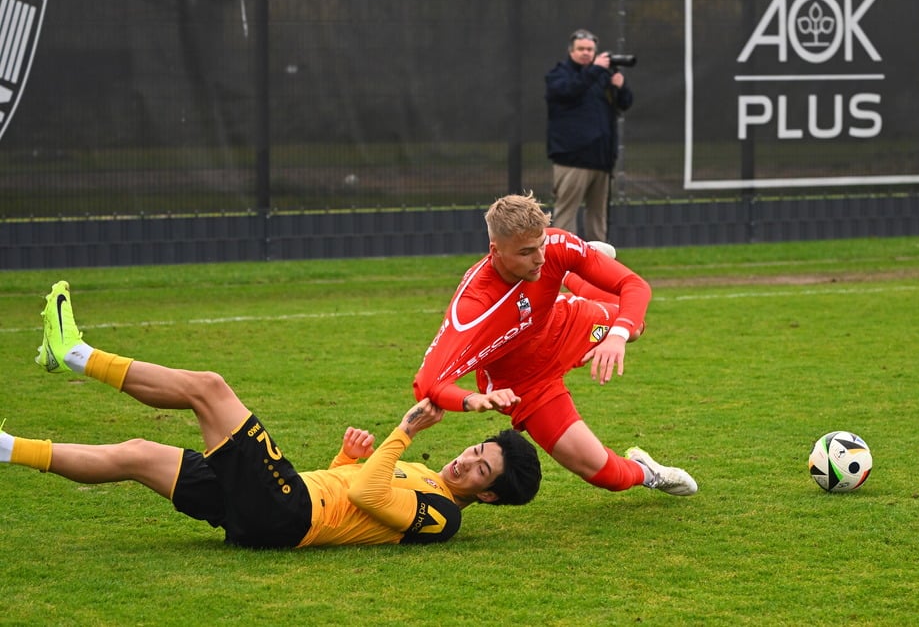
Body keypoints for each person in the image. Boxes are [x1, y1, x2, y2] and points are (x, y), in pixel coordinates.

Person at [0, 281, 541, 549]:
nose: (465, 462)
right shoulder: (431, 480)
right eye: (476, 451)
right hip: (279, 506)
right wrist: (347, 457)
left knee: (209, 388)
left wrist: (402, 433)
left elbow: (365, 497)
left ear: (489, 494)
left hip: (288, 513)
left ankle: (72, 353)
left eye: (480, 470)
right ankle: (5, 449)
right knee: (138, 455)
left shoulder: (447, 519)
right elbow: (356, 494)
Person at [413, 193, 697, 497]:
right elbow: (427, 384)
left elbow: (635, 285)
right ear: (494, 250)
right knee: (604, 474)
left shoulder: (554, 246)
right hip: (525, 383)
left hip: (563, 325)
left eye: (541, 245)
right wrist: (471, 399)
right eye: (526, 252)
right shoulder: (473, 308)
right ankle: (648, 471)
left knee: (633, 326)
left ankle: (577, 269)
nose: (539, 258)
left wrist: (616, 337)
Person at [545, 28, 634, 242]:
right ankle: (563, 263)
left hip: (601, 160)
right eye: (581, 49)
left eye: (590, 49)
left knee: (598, 217)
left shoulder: (602, 76)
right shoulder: (560, 75)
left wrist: (620, 88)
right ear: (571, 51)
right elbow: (568, 91)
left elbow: (625, 103)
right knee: (566, 214)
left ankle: (599, 266)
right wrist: (594, 70)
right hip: (572, 159)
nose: (585, 53)